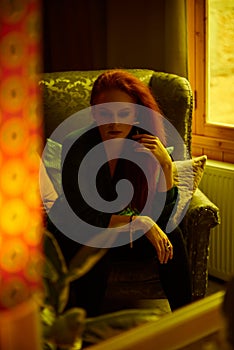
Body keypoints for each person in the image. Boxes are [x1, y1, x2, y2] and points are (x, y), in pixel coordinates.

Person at [47, 69, 192, 316]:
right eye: (105, 113)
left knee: (173, 235)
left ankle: (187, 321)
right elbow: (83, 214)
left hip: (126, 233)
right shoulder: (77, 144)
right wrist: (140, 222)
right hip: (80, 230)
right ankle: (82, 329)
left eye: (123, 113)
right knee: (97, 243)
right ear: (93, 112)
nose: (114, 122)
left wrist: (166, 165)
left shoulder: (145, 143)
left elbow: (164, 217)